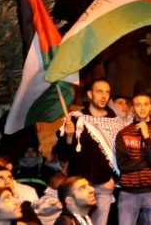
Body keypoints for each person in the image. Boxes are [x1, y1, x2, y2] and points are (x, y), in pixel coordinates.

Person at [55, 78, 128, 225]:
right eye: (99, 91)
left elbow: (122, 156)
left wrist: (113, 179)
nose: (103, 96)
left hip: (104, 185)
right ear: (90, 94)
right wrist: (69, 136)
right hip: (78, 187)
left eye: (107, 92)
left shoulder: (118, 123)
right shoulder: (75, 119)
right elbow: (62, 155)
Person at [115, 91, 151, 224]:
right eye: (138, 105)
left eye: (145, 104)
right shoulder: (123, 133)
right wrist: (149, 161)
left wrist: (146, 136)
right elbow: (123, 165)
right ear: (133, 108)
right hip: (128, 192)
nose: (142, 108)